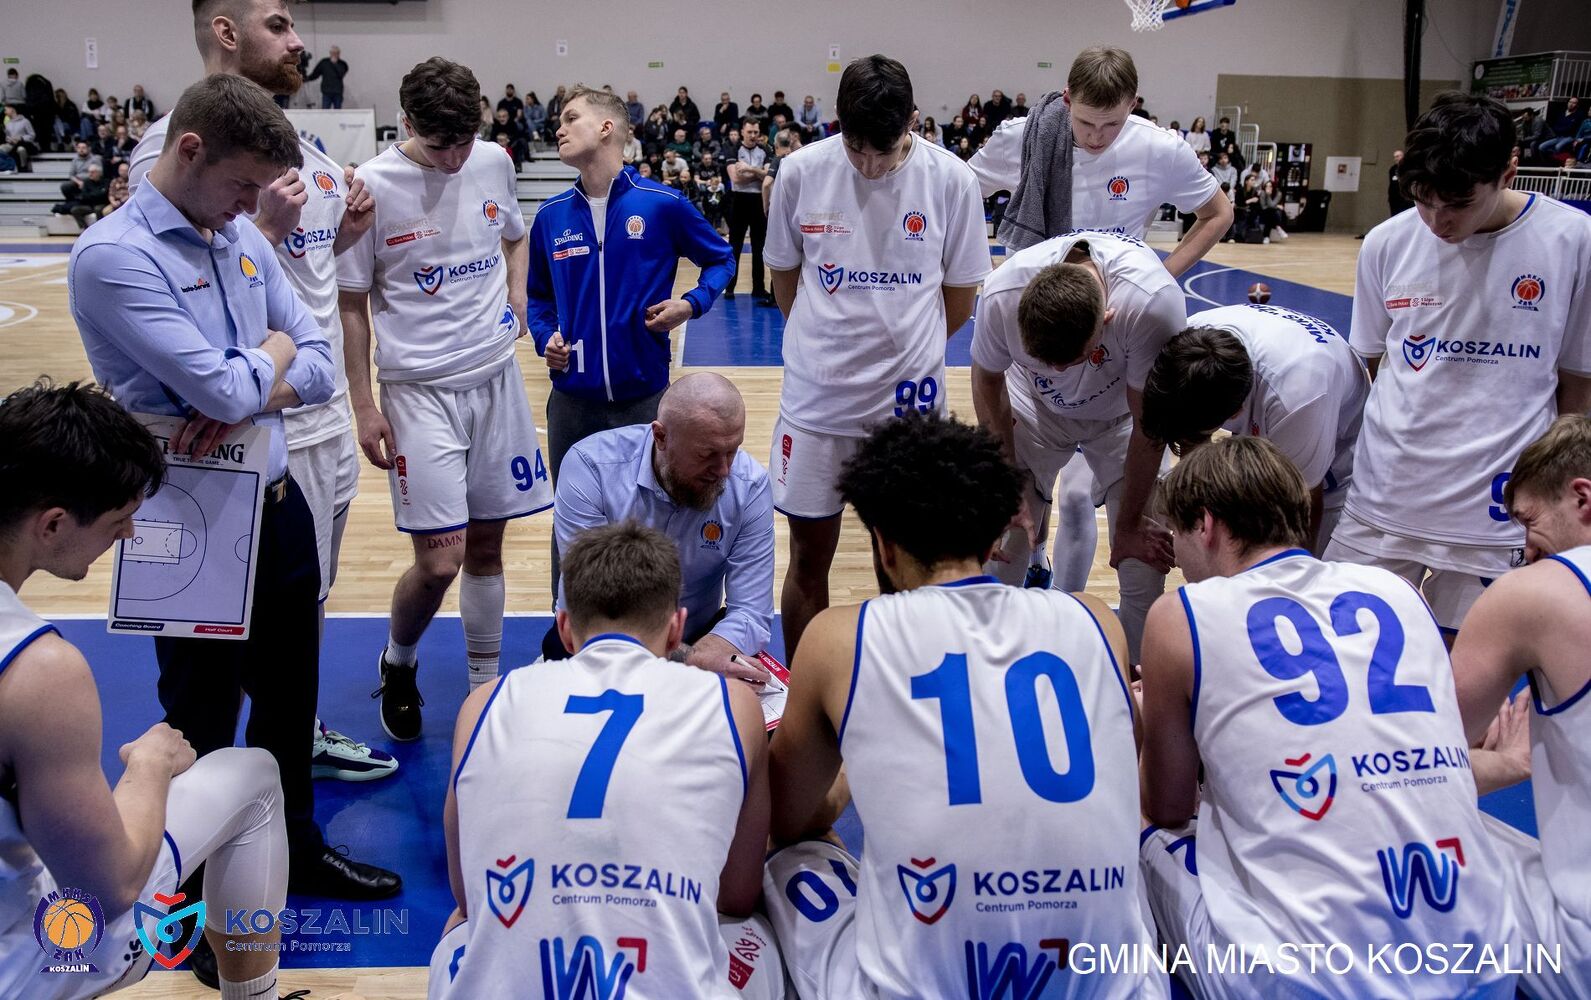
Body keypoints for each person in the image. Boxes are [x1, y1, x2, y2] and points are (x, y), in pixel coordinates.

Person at [70, 74, 399, 907]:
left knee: (290, 703)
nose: (254, 206)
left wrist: (258, 380)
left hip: (277, 499)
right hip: (185, 514)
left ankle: (295, 850)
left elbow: (317, 364)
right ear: (189, 151)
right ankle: (195, 892)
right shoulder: (113, 256)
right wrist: (271, 358)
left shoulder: (240, 235)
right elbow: (227, 387)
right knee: (201, 715)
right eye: (243, 185)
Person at [765, 412, 1165, 999]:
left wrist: (858, 764)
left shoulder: (837, 637)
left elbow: (788, 817)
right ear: (996, 539)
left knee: (790, 853)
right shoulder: (1095, 617)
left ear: (884, 545)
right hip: (1113, 985)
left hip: (923, 988)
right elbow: (1122, 762)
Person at [1139, 436, 1519, 998]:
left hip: (1307, 981)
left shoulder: (1181, 614)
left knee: (1140, 823)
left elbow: (1168, 807)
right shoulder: (1398, 589)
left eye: (1176, 533)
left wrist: (1146, 721)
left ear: (1207, 524)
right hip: (1487, 962)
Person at [129, 0, 396, 794]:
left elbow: (305, 286)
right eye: (278, 24)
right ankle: (217, 804)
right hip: (239, 431)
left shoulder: (295, 145)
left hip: (311, 411)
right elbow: (199, 301)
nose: (298, 40)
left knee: (301, 613)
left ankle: (287, 761)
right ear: (225, 31)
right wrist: (270, 238)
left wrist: (339, 237)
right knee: (214, 660)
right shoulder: (175, 146)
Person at [0, 381, 300, 1000]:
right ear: (53, 523)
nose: (130, 533)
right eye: (118, 520)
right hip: (24, 967)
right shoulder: (40, 671)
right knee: (253, 776)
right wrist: (150, 767)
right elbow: (110, 889)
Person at [426, 522, 785, 999]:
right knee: (759, 918)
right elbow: (737, 895)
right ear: (677, 629)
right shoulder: (733, 704)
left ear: (564, 628)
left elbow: (467, 892)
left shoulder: (484, 704)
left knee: (461, 925)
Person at [1324, 92, 1591, 639]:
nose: (1437, 221)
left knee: (1471, 671)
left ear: (1508, 171)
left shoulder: (1572, 241)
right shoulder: (1386, 243)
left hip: (1494, 518)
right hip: (1383, 500)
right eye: (1423, 200)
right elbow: (1371, 363)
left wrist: (1553, 500)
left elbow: (1577, 385)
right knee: (1345, 655)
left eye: (1458, 204)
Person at [338, 56, 551, 738]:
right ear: (406, 123)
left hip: (495, 379)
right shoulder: (371, 188)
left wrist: (517, 293)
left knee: (486, 548)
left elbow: (514, 235)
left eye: (465, 140)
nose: (456, 157)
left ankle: (483, 692)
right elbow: (351, 305)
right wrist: (363, 405)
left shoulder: (493, 161)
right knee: (438, 563)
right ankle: (398, 660)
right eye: (440, 145)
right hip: (418, 393)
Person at [764, 54, 990, 659]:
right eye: (855, 148)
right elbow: (784, 279)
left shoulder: (952, 181)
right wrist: (822, 343)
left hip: (908, 410)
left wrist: (908, 350)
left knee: (907, 559)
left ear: (913, 120)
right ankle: (803, 691)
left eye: (882, 153)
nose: (868, 165)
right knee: (809, 556)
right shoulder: (799, 172)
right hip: (816, 402)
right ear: (837, 121)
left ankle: (901, 685)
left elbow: (959, 298)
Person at [528, 86, 733, 581]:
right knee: (573, 531)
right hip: (572, 404)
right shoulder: (551, 216)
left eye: (571, 118)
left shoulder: (662, 204)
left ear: (606, 128)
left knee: (652, 529)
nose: (559, 128)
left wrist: (690, 303)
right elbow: (538, 298)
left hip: (645, 401)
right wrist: (545, 337)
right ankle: (567, 622)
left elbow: (721, 259)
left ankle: (652, 622)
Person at [969, 229, 1183, 660]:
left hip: (1124, 415)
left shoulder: (1151, 306)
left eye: (1074, 360)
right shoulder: (1001, 294)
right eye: (1046, 361)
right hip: (1034, 404)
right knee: (1005, 538)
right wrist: (1006, 484)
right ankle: (983, 664)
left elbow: (1150, 426)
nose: (1059, 371)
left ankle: (1132, 679)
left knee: (1143, 557)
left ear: (1107, 319)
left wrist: (1128, 527)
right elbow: (987, 380)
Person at [1451, 414, 1591, 1000]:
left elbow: (1419, 763)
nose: (1528, 550)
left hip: (1578, 948)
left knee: (1408, 836)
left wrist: (1507, 764)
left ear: (1582, 497)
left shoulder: (1536, 591)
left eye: (1531, 523)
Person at [543, 373, 774, 686]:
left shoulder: (750, 486)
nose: (724, 470)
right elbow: (590, 607)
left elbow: (750, 611)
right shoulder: (591, 468)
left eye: (733, 450)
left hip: (700, 637)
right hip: (606, 637)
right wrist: (691, 661)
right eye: (707, 454)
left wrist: (703, 652)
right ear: (661, 437)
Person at [1141, 304, 1367, 552]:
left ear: (1237, 413)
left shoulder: (1296, 399)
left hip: (1340, 456)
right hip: (1285, 377)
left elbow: (1303, 507)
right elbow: (1189, 433)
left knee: (1297, 546)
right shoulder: (1187, 347)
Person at [725, 118, 771, 302]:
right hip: (739, 200)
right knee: (734, 246)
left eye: (756, 132)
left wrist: (749, 169)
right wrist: (758, 173)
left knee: (759, 247)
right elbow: (736, 179)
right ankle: (730, 287)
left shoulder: (765, 150)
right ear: (742, 132)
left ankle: (758, 288)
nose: (753, 135)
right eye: (750, 132)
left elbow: (769, 176)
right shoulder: (733, 149)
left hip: (758, 200)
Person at [1386, 148, 1413, 217]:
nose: (1396, 158)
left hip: (1406, 198)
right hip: (1394, 199)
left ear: (1403, 156)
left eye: (1398, 156)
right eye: (1395, 157)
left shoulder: (1409, 168)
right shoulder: (1392, 169)